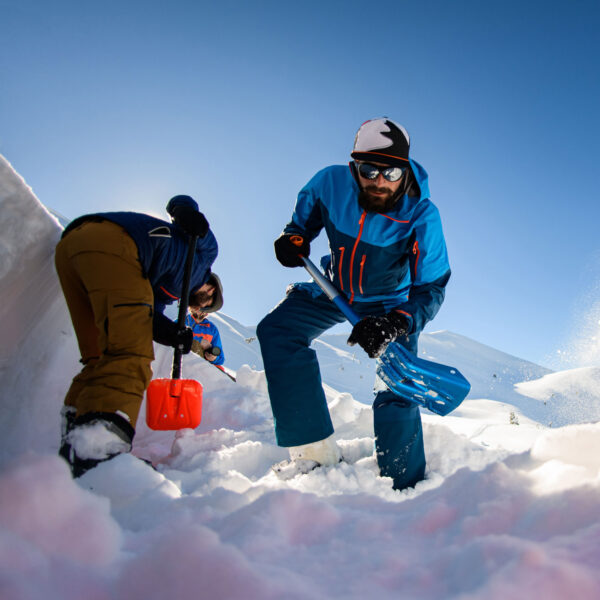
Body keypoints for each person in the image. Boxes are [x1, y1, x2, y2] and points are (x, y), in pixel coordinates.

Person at [257, 118, 451, 490]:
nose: (379, 181)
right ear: (354, 167)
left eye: (391, 171)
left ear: (405, 171)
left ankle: (404, 486)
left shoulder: (422, 215)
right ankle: (313, 452)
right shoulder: (329, 183)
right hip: (336, 291)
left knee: (399, 386)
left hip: (391, 304)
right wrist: (293, 238)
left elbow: (432, 285)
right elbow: (302, 222)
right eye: (369, 170)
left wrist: (395, 323)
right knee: (278, 331)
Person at [55, 194, 222, 477]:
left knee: (99, 357)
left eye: (207, 305)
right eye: (209, 296)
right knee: (130, 354)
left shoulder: (158, 293)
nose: (204, 302)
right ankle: (98, 454)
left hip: (73, 249)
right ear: (211, 283)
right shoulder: (205, 254)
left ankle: (76, 445)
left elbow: (148, 319)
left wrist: (173, 334)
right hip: (116, 242)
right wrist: (185, 212)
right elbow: (183, 203)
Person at [184, 279, 226, 367]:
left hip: (201, 366)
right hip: (184, 361)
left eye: (207, 308)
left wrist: (214, 358)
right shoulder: (182, 321)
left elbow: (221, 358)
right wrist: (199, 342)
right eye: (201, 306)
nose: (203, 310)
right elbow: (171, 338)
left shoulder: (212, 329)